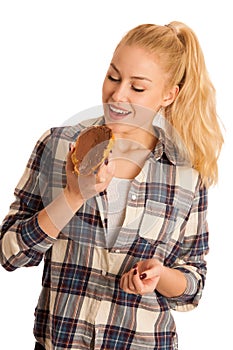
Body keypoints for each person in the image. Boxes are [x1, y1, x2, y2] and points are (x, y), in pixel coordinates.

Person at [0, 21, 223, 350]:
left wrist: (162, 276)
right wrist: (74, 195)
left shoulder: (186, 173)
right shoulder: (59, 145)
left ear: (168, 95)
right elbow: (10, 254)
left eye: (137, 87)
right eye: (113, 77)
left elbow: (194, 285)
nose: (117, 95)